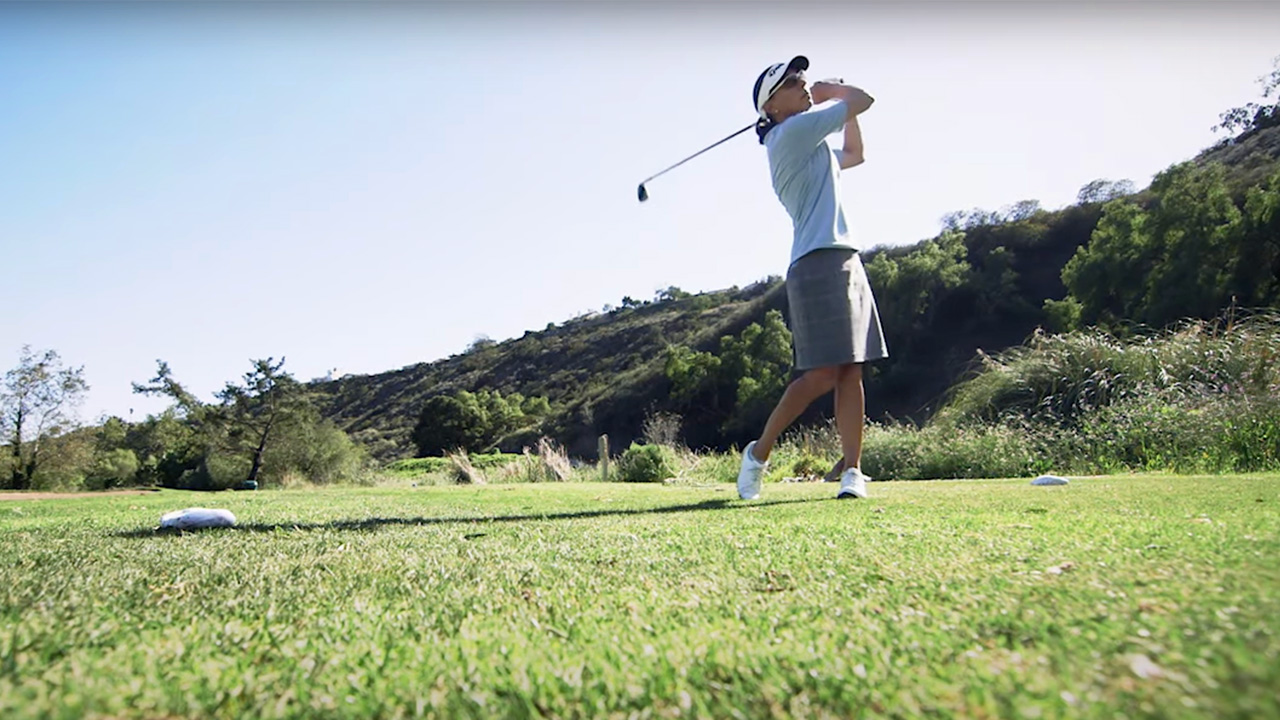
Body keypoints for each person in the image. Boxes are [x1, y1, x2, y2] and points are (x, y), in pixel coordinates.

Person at [737, 55, 887, 501]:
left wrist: (836, 102)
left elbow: (856, 154)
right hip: (816, 261)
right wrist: (832, 90)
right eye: (792, 83)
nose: (801, 85)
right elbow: (864, 99)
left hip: (845, 258)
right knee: (823, 374)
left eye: (801, 78)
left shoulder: (808, 141)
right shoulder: (789, 134)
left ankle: (852, 472)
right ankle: (758, 455)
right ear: (773, 108)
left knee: (851, 370)